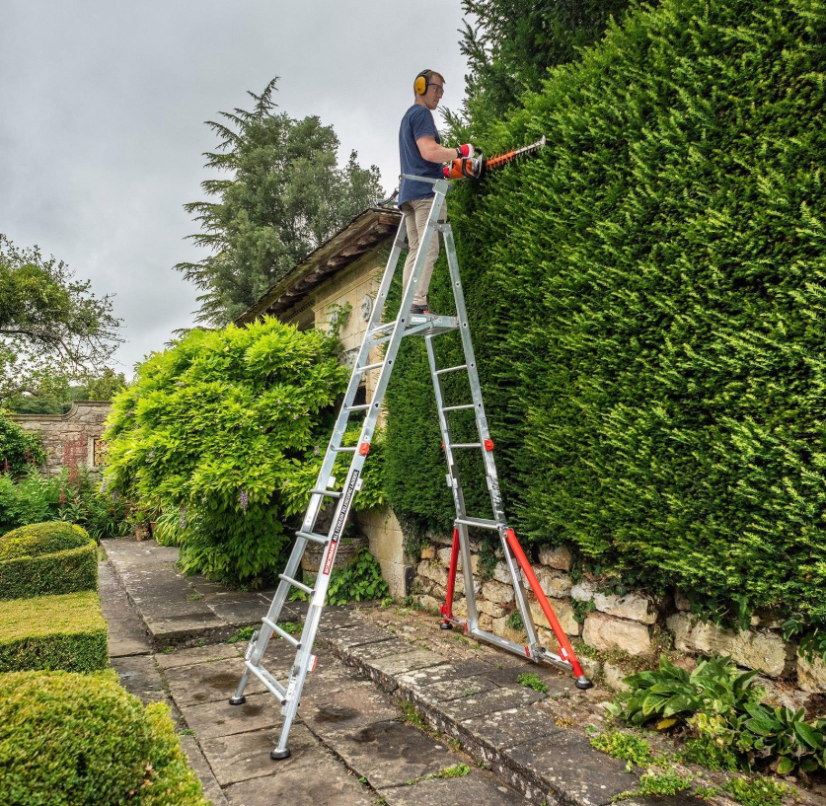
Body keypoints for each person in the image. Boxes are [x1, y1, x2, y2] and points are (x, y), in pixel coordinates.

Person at [398, 69, 474, 314]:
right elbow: (429, 152)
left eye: (442, 90)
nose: (440, 94)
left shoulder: (408, 117)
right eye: (436, 88)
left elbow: (423, 161)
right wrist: (461, 152)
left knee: (416, 249)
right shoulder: (421, 114)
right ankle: (418, 302)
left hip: (410, 193)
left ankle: (409, 303)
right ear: (420, 87)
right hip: (425, 195)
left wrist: (446, 171)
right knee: (428, 249)